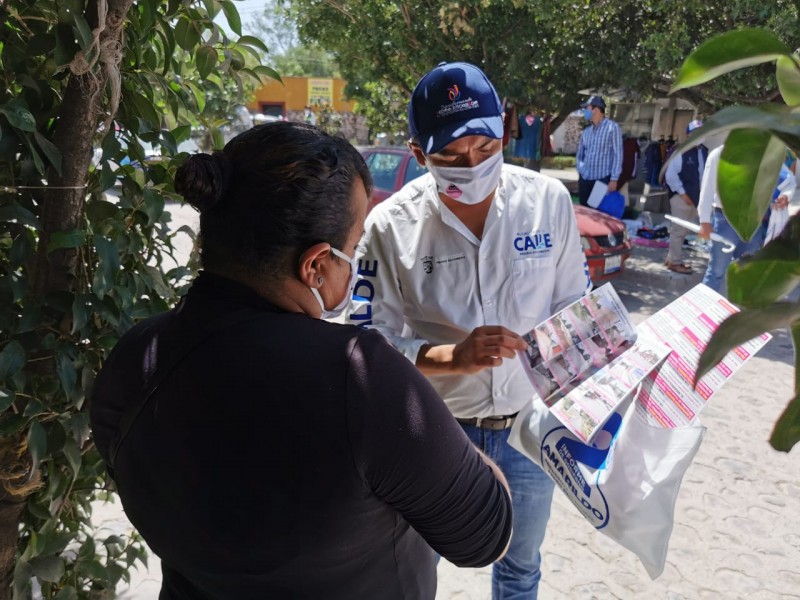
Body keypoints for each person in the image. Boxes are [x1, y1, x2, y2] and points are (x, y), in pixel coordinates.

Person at [90, 122, 513, 599]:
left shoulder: (134, 358)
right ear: (316, 265)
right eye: (352, 250)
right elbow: (484, 536)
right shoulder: (360, 381)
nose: (352, 265)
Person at [346, 62, 589, 599]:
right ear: (418, 155)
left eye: (484, 148)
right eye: (452, 158)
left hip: (529, 432)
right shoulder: (391, 227)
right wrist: (450, 358)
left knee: (521, 568)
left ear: (503, 132)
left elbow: (577, 309)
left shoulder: (548, 204)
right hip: (434, 433)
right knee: (410, 571)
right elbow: (365, 346)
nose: (473, 166)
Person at [698, 144, 796, 293]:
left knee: (747, 272)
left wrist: (785, 196)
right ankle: (703, 312)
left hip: (753, 222)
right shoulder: (719, 154)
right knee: (716, 272)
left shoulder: (765, 154)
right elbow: (707, 189)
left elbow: (788, 179)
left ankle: (738, 313)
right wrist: (704, 221)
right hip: (726, 220)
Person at [663, 119, 707, 274]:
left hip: (695, 199)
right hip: (682, 199)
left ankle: (670, 259)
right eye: (695, 133)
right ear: (688, 135)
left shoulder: (704, 152)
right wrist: (683, 193)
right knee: (678, 232)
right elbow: (670, 175)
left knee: (682, 232)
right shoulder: (680, 152)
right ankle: (675, 262)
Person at [576, 95, 623, 206]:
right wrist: (581, 170)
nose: (585, 112)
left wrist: (614, 179)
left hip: (601, 180)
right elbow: (580, 155)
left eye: (587, 108)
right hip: (585, 179)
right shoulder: (587, 131)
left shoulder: (612, 128)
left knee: (595, 212)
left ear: (595, 109)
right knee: (584, 211)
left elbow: (618, 155)